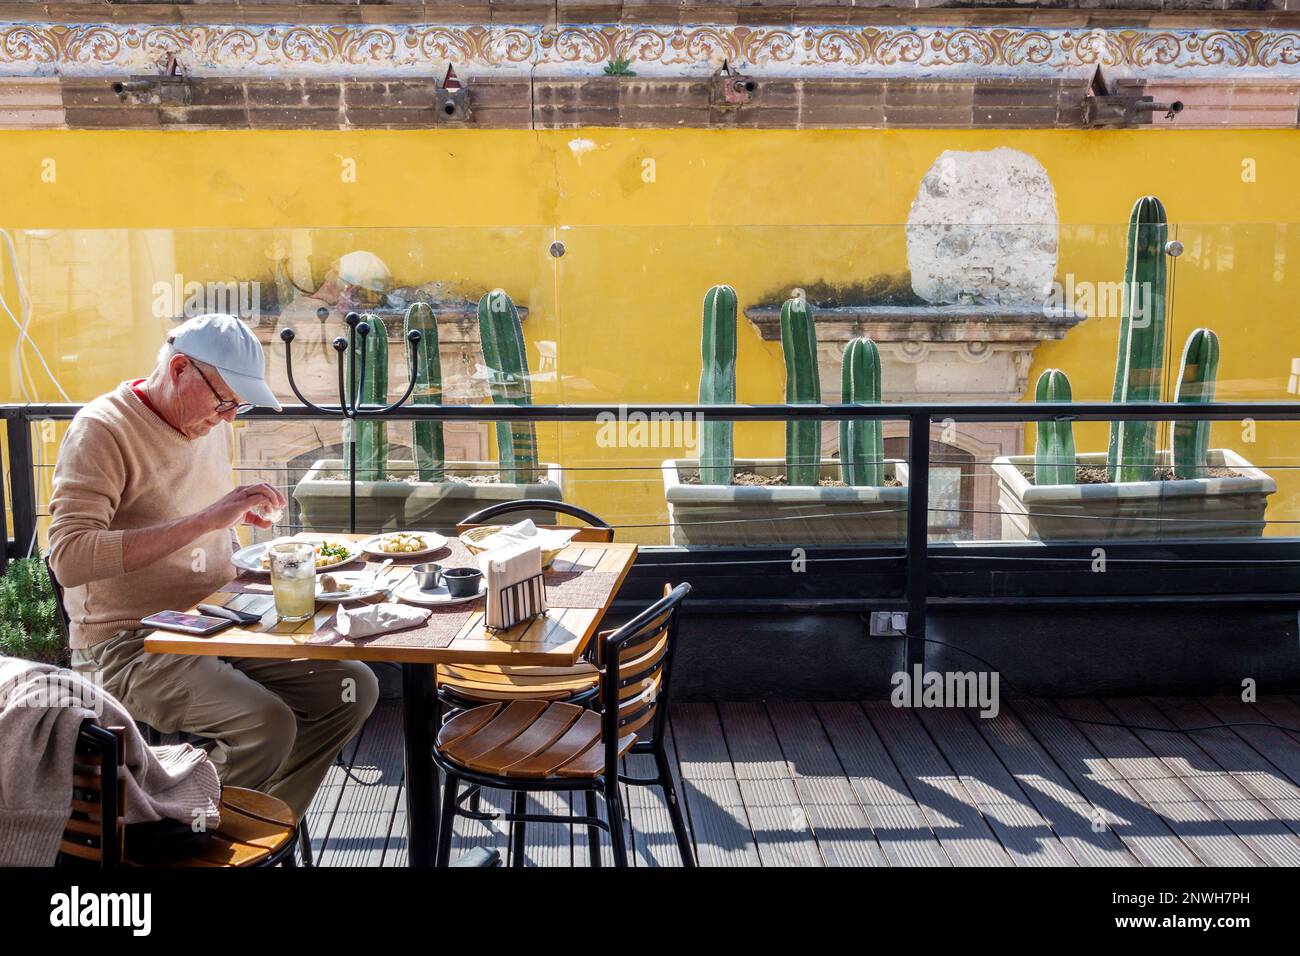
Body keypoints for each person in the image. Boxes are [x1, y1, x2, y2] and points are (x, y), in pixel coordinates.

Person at [49, 313, 379, 820]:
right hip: (129, 642)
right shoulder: (102, 429)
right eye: (224, 401)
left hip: (217, 620)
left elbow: (199, 529)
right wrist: (206, 519)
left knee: (352, 689)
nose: (228, 417)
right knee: (266, 725)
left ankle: (265, 822)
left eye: (238, 405)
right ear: (180, 368)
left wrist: (234, 532)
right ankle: (175, 831)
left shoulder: (207, 425)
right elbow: (69, 558)